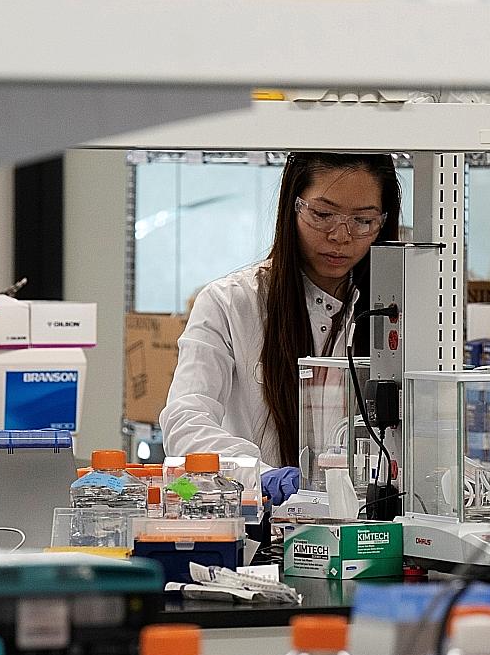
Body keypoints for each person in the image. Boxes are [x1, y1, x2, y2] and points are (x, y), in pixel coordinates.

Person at [160, 152, 401, 505]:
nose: (340, 235)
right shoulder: (231, 303)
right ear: (293, 206)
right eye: (322, 215)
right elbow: (186, 422)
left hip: (368, 525)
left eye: (363, 220)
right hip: (259, 522)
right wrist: (260, 475)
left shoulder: (395, 310)